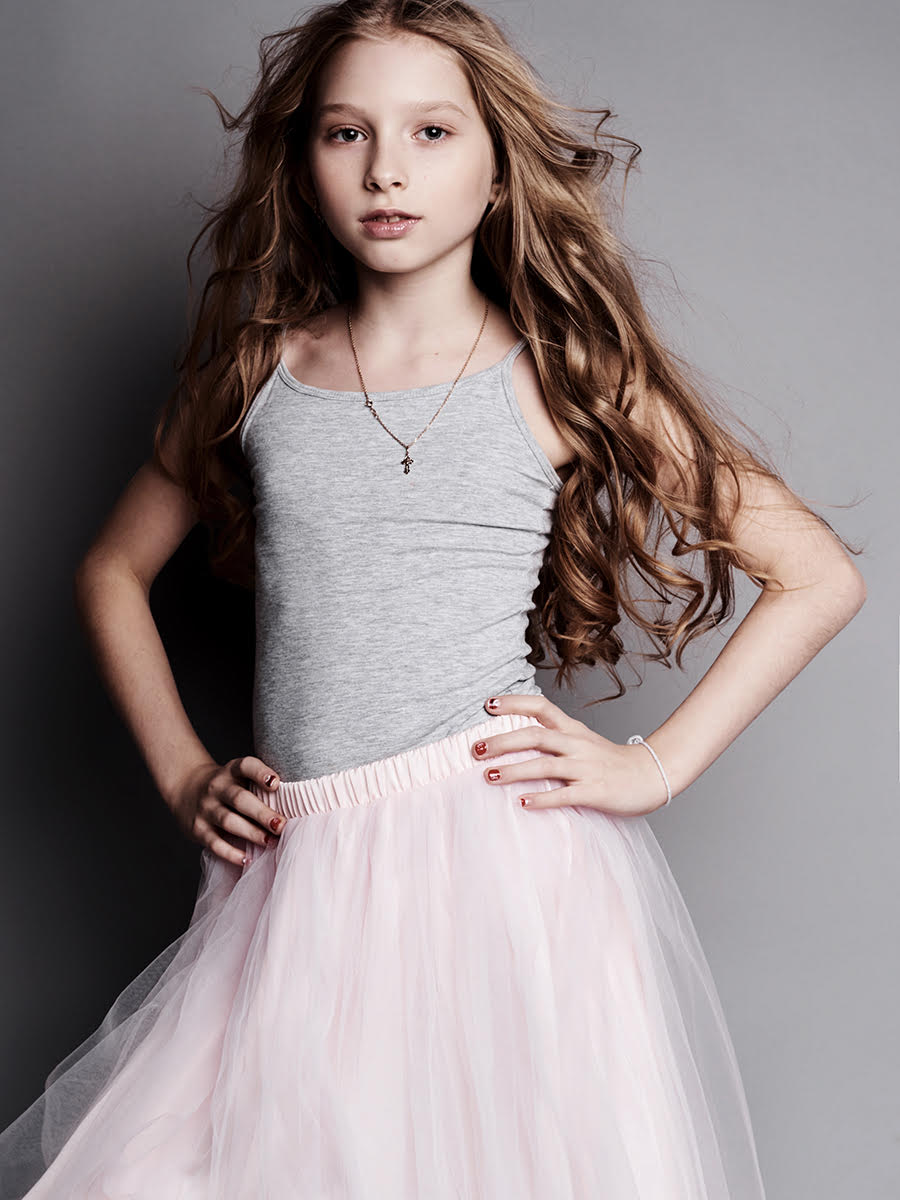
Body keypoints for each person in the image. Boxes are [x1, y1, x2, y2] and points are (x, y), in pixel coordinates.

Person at [0, 1, 867, 1197]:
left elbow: (817, 574)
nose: (387, 170)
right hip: (300, 872)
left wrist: (655, 767)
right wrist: (184, 772)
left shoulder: (563, 378)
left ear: (499, 169)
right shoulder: (255, 374)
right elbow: (111, 570)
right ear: (302, 162)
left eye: (432, 132)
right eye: (346, 132)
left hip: (496, 865)